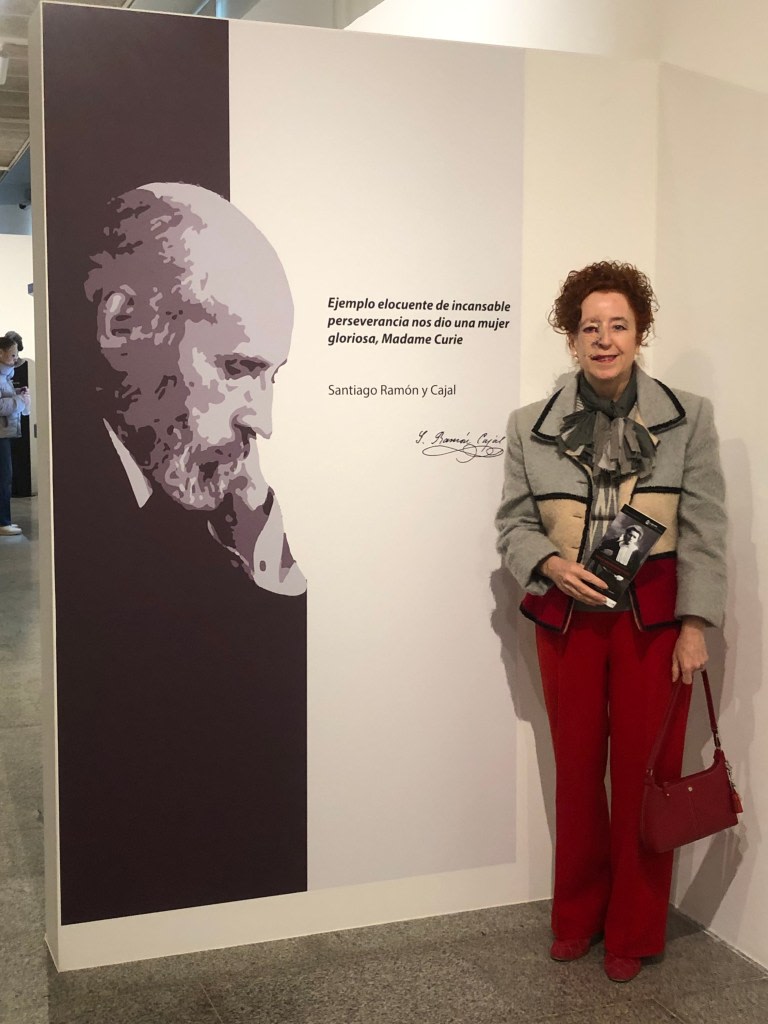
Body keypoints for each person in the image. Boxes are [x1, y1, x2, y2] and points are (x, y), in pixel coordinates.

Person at [53, 183, 308, 924]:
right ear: (124, 323)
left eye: (271, 378)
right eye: (236, 370)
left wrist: (257, 525)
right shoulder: (80, 494)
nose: (263, 420)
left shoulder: (202, 490)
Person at [495, 262, 726, 982]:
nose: (604, 339)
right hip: (566, 618)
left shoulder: (690, 415)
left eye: (617, 324)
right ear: (571, 337)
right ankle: (577, 918)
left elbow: (708, 528)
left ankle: (632, 930)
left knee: (642, 772)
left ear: (640, 331)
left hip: (652, 619)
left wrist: (696, 624)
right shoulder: (527, 425)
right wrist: (549, 565)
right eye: (589, 326)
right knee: (577, 773)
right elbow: (511, 525)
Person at [0, 333, 31, 536]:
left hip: (5, 433)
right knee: (4, 477)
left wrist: (20, 398)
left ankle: (4, 521)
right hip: (1, 434)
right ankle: (3, 522)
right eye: (12, 355)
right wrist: (20, 401)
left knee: (6, 477)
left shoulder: (6, 376)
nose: (14, 359)